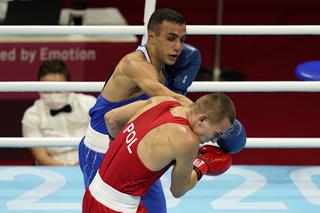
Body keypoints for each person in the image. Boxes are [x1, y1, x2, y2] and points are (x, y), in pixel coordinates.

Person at [78, 8, 203, 213]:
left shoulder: (165, 65)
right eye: (171, 38)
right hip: (102, 149)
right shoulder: (134, 64)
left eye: (182, 39)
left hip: (133, 147)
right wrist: (211, 118)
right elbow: (162, 96)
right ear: (151, 37)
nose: (178, 46)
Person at [82, 92, 236, 212]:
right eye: (216, 134)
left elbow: (111, 118)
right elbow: (178, 190)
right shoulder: (188, 140)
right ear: (202, 119)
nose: (214, 141)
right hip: (117, 208)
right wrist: (202, 165)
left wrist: (121, 152)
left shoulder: (161, 101)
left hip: (92, 194)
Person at [22, 59, 96, 166]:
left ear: (69, 86)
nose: (53, 95)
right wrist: (67, 169)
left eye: (58, 90)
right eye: (46, 90)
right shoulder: (31, 114)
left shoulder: (88, 103)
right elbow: (40, 156)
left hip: (90, 166)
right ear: (38, 87)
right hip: (53, 172)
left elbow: (103, 141)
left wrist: (85, 165)